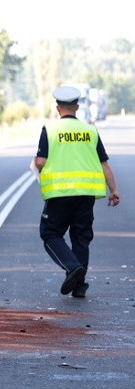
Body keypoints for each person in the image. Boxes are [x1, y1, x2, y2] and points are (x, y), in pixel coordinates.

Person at [33, 85, 120, 298]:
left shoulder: (50, 129)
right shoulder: (90, 131)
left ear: (57, 108)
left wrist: (38, 164)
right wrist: (114, 190)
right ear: (77, 107)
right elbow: (104, 163)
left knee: (50, 233)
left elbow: (41, 162)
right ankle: (79, 286)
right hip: (86, 194)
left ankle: (72, 268)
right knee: (81, 238)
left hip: (60, 193)